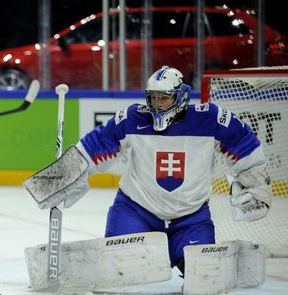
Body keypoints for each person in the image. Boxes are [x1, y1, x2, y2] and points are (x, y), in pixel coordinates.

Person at [71, 66, 271, 275]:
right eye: (153, 98)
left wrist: (255, 180)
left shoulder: (210, 119)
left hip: (190, 219)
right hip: (136, 211)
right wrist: (68, 172)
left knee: (204, 273)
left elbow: (243, 143)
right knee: (120, 266)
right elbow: (99, 143)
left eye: (163, 98)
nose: (157, 104)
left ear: (180, 96)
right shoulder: (132, 118)